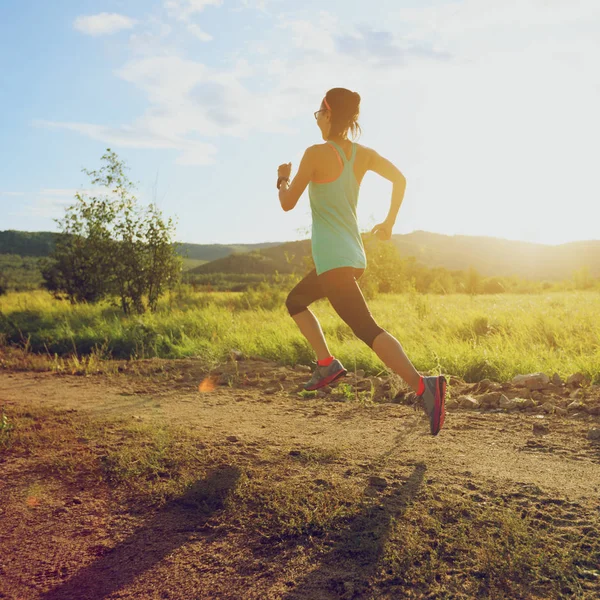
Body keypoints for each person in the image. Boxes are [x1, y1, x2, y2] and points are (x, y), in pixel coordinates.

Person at [276, 87, 446, 436]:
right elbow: (400, 179)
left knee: (367, 329)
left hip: (334, 261)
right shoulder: (362, 154)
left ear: (327, 114)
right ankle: (326, 363)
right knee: (295, 301)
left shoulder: (315, 153)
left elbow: (287, 202)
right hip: (351, 257)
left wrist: (282, 178)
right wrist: (389, 223)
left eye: (317, 113)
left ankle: (423, 386)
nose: (316, 120)